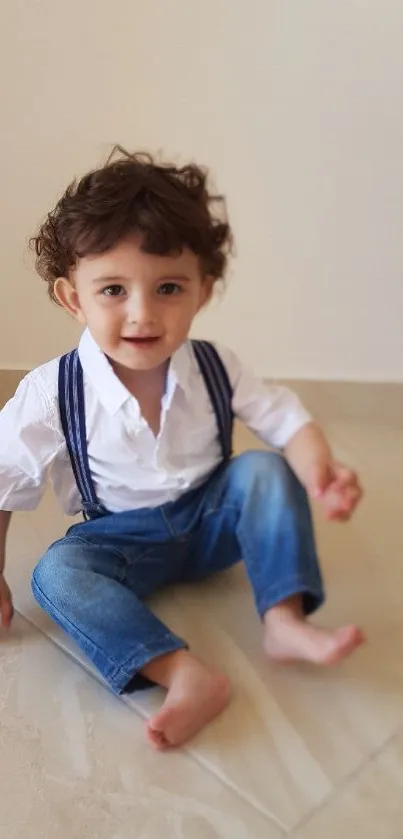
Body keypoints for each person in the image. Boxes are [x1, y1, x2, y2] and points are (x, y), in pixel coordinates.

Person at [0, 148, 364, 750]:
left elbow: (285, 419)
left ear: (202, 291)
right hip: (121, 543)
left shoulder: (217, 366)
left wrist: (319, 470)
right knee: (56, 574)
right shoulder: (51, 392)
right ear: (72, 298)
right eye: (113, 289)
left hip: (210, 522)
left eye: (168, 287)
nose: (142, 313)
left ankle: (284, 619)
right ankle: (181, 673)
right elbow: (4, 476)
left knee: (265, 471)